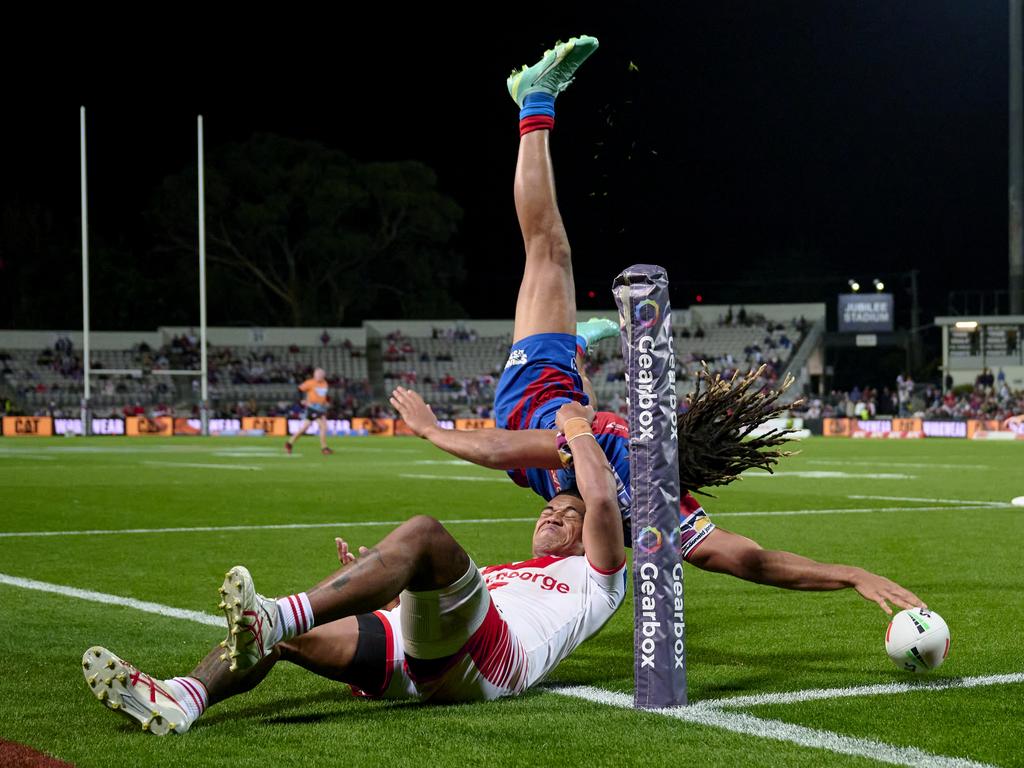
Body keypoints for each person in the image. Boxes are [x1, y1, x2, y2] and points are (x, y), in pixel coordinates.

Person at [390, 34, 922, 616]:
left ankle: (533, 101)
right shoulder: (663, 500)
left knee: (548, 253)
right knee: (580, 393)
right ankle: (581, 347)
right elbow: (749, 559)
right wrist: (846, 573)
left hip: (531, 400)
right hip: (564, 402)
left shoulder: (619, 454)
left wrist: (431, 430)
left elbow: (501, 448)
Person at [83, 398, 626, 735]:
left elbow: (600, 498)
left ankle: (278, 614)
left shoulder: (599, 576)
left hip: (494, 662)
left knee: (424, 534)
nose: (554, 514)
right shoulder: (505, 571)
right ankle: (185, 698)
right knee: (288, 635)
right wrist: (384, 587)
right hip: (432, 658)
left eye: (567, 515)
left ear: (591, 537)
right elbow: (436, 627)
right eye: (550, 509)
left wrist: (577, 425)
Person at [285, 367, 333, 455]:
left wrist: (326, 402)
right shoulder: (310, 383)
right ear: (314, 375)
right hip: (313, 408)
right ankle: (324, 448)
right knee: (323, 426)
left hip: (321, 408)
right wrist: (301, 400)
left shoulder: (325, 383)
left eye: (321, 374)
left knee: (304, 428)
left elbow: (322, 396)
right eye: (318, 374)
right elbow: (299, 390)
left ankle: (289, 443)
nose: (319, 376)